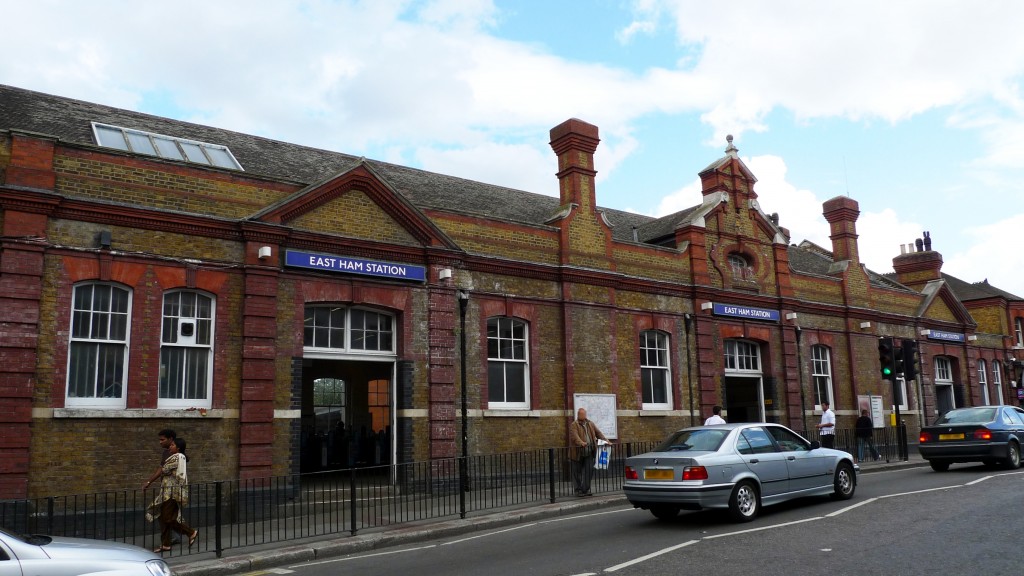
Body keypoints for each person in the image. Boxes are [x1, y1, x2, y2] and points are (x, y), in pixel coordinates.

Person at [145, 437, 197, 553]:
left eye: (172, 445)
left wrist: (150, 480)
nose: (170, 447)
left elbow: (164, 469)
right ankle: (166, 544)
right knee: (163, 518)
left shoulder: (177, 456)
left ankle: (190, 532)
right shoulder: (179, 457)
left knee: (167, 518)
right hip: (167, 492)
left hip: (171, 493)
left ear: (178, 448)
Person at [568, 408, 607, 497]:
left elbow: (598, 433)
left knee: (589, 471)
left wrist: (606, 440)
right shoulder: (574, 425)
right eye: (580, 414)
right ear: (578, 415)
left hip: (589, 451)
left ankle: (585, 489)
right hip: (577, 453)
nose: (582, 416)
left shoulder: (590, 423)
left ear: (585, 415)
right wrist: (581, 443)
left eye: (583, 414)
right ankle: (578, 490)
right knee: (576, 472)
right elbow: (575, 437)